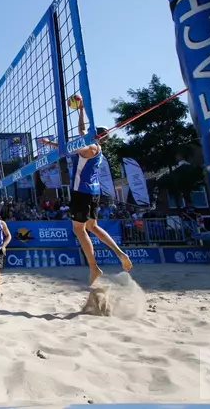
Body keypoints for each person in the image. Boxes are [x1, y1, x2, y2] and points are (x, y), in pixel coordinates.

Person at [46, 101, 132, 285]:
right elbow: (82, 132)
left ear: (96, 135)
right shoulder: (97, 149)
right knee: (92, 227)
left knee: (79, 229)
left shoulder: (91, 148)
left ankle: (94, 267)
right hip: (93, 192)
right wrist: (81, 110)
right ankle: (119, 253)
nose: (86, 133)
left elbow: (69, 148)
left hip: (82, 192)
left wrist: (54, 143)